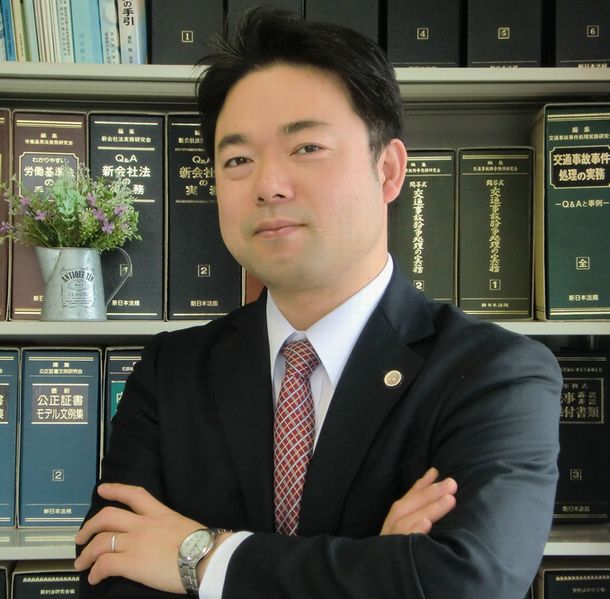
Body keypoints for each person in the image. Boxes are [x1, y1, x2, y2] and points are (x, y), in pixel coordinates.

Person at [74, 7, 562, 599]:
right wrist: (374, 565)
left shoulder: (494, 374)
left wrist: (199, 557)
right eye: (237, 160)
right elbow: (108, 573)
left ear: (388, 170)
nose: (268, 185)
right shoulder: (170, 371)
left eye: (306, 147)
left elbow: (465, 583)